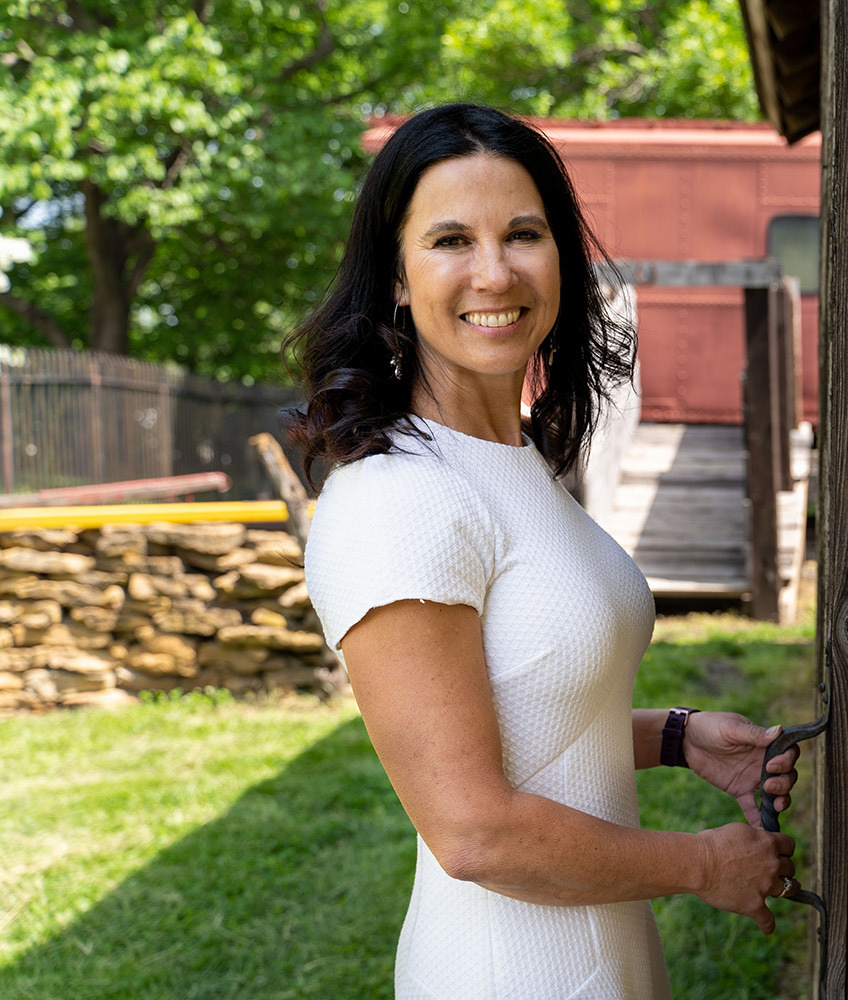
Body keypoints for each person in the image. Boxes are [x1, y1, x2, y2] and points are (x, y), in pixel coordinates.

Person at [284, 103, 802, 999]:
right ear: (397, 279)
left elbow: (528, 714)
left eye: (523, 233)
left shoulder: (511, 464)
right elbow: (473, 829)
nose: (494, 272)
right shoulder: (397, 498)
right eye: (450, 240)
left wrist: (679, 740)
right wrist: (705, 865)